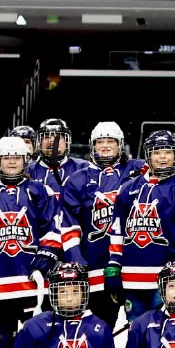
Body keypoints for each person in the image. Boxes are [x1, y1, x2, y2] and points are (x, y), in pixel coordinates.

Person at [0, 136, 78, 348]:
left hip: (30, 275)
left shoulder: (39, 191)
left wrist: (46, 256)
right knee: (3, 329)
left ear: (25, 160)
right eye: (6, 158)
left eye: (16, 157)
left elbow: (53, 228)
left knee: (36, 327)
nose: (12, 162)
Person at [109, 130, 175, 312]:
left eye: (167, 152)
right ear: (148, 156)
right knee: (137, 334)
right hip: (132, 279)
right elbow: (117, 232)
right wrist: (114, 265)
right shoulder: (127, 189)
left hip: (169, 281)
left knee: (168, 334)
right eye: (157, 152)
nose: (162, 157)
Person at [61, 121, 143, 328]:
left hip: (138, 264)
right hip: (97, 267)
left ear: (121, 144)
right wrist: (76, 257)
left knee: (143, 332)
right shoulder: (77, 180)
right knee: (100, 331)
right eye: (100, 142)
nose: (105, 146)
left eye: (110, 141)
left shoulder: (139, 169)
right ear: (92, 145)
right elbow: (69, 223)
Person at [27, 118, 94, 194]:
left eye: (57, 136)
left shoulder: (83, 167)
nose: (51, 140)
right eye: (46, 137)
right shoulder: (28, 171)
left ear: (66, 142)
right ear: (39, 142)